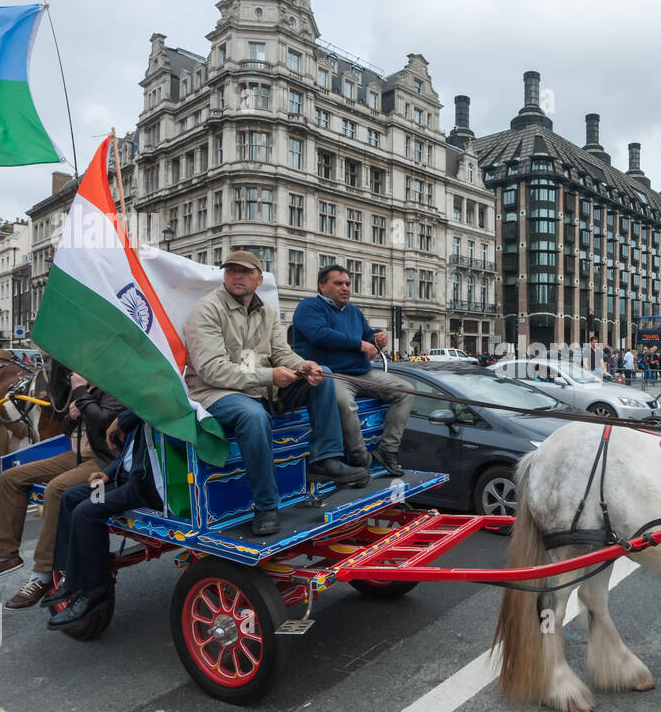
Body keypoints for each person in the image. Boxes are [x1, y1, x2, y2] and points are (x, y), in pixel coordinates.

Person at [184, 250, 366, 536]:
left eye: (244, 271)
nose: (236, 276)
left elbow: (282, 352)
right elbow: (212, 371)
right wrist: (270, 376)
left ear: (259, 278)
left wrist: (304, 365)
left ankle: (324, 458)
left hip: (260, 387)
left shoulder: (267, 311)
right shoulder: (207, 310)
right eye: (231, 271)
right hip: (215, 393)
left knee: (325, 376)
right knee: (253, 416)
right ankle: (266, 505)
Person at [0, 371, 124, 611]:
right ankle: (3, 556)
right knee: (11, 478)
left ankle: (42, 573)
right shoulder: (83, 387)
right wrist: (72, 415)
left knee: (57, 489)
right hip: (75, 455)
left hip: (102, 460)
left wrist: (81, 395)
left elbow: (105, 422)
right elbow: (67, 428)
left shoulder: (111, 385)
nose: (72, 370)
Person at [45, 411, 163, 629]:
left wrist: (121, 419)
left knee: (86, 513)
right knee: (70, 496)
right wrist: (108, 472)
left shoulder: (145, 404)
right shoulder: (137, 409)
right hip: (125, 477)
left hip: (143, 486)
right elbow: (128, 455)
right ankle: (70, 578)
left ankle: (95, 589)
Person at [293, 264, 413, 477]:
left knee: (406, 390)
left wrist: (378, 339)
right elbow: (319, 334)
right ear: (322, 286)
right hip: (331, 375)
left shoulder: (354, 311)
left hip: (361, 373)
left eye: (348, 283)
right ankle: (360, 458)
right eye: (338, 283)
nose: (345, 288)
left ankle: (387, 450)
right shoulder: (308, 307)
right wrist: (360, 344)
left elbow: (368, 338)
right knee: (344, 404)